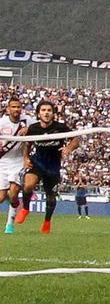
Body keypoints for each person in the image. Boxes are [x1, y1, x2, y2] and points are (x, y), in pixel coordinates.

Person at [16, 100, 81, 234]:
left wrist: (68, 148)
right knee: (28, 185)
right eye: (43, 110)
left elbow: (76, 139)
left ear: (53, 113)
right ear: (38, 114)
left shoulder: (60, 127)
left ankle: (47, 221)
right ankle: (25, 208)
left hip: (53, 166)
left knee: (50, 195)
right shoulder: (33, 129)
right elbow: (27, 144)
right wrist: (25, 157)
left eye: (49, 110)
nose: (46, 113)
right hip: (37, 162)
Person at [0, 95, 34, 234]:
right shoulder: (2, 122)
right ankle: (14, 205)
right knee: (1, 197)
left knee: (14, 193)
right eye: (13, 107)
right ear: (8, 109)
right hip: (3, 162)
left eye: (18, 107)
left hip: (19, 161)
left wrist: (29, 129)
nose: (16, 109)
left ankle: (9, 224)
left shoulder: (27, 121)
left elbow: (40, 128)